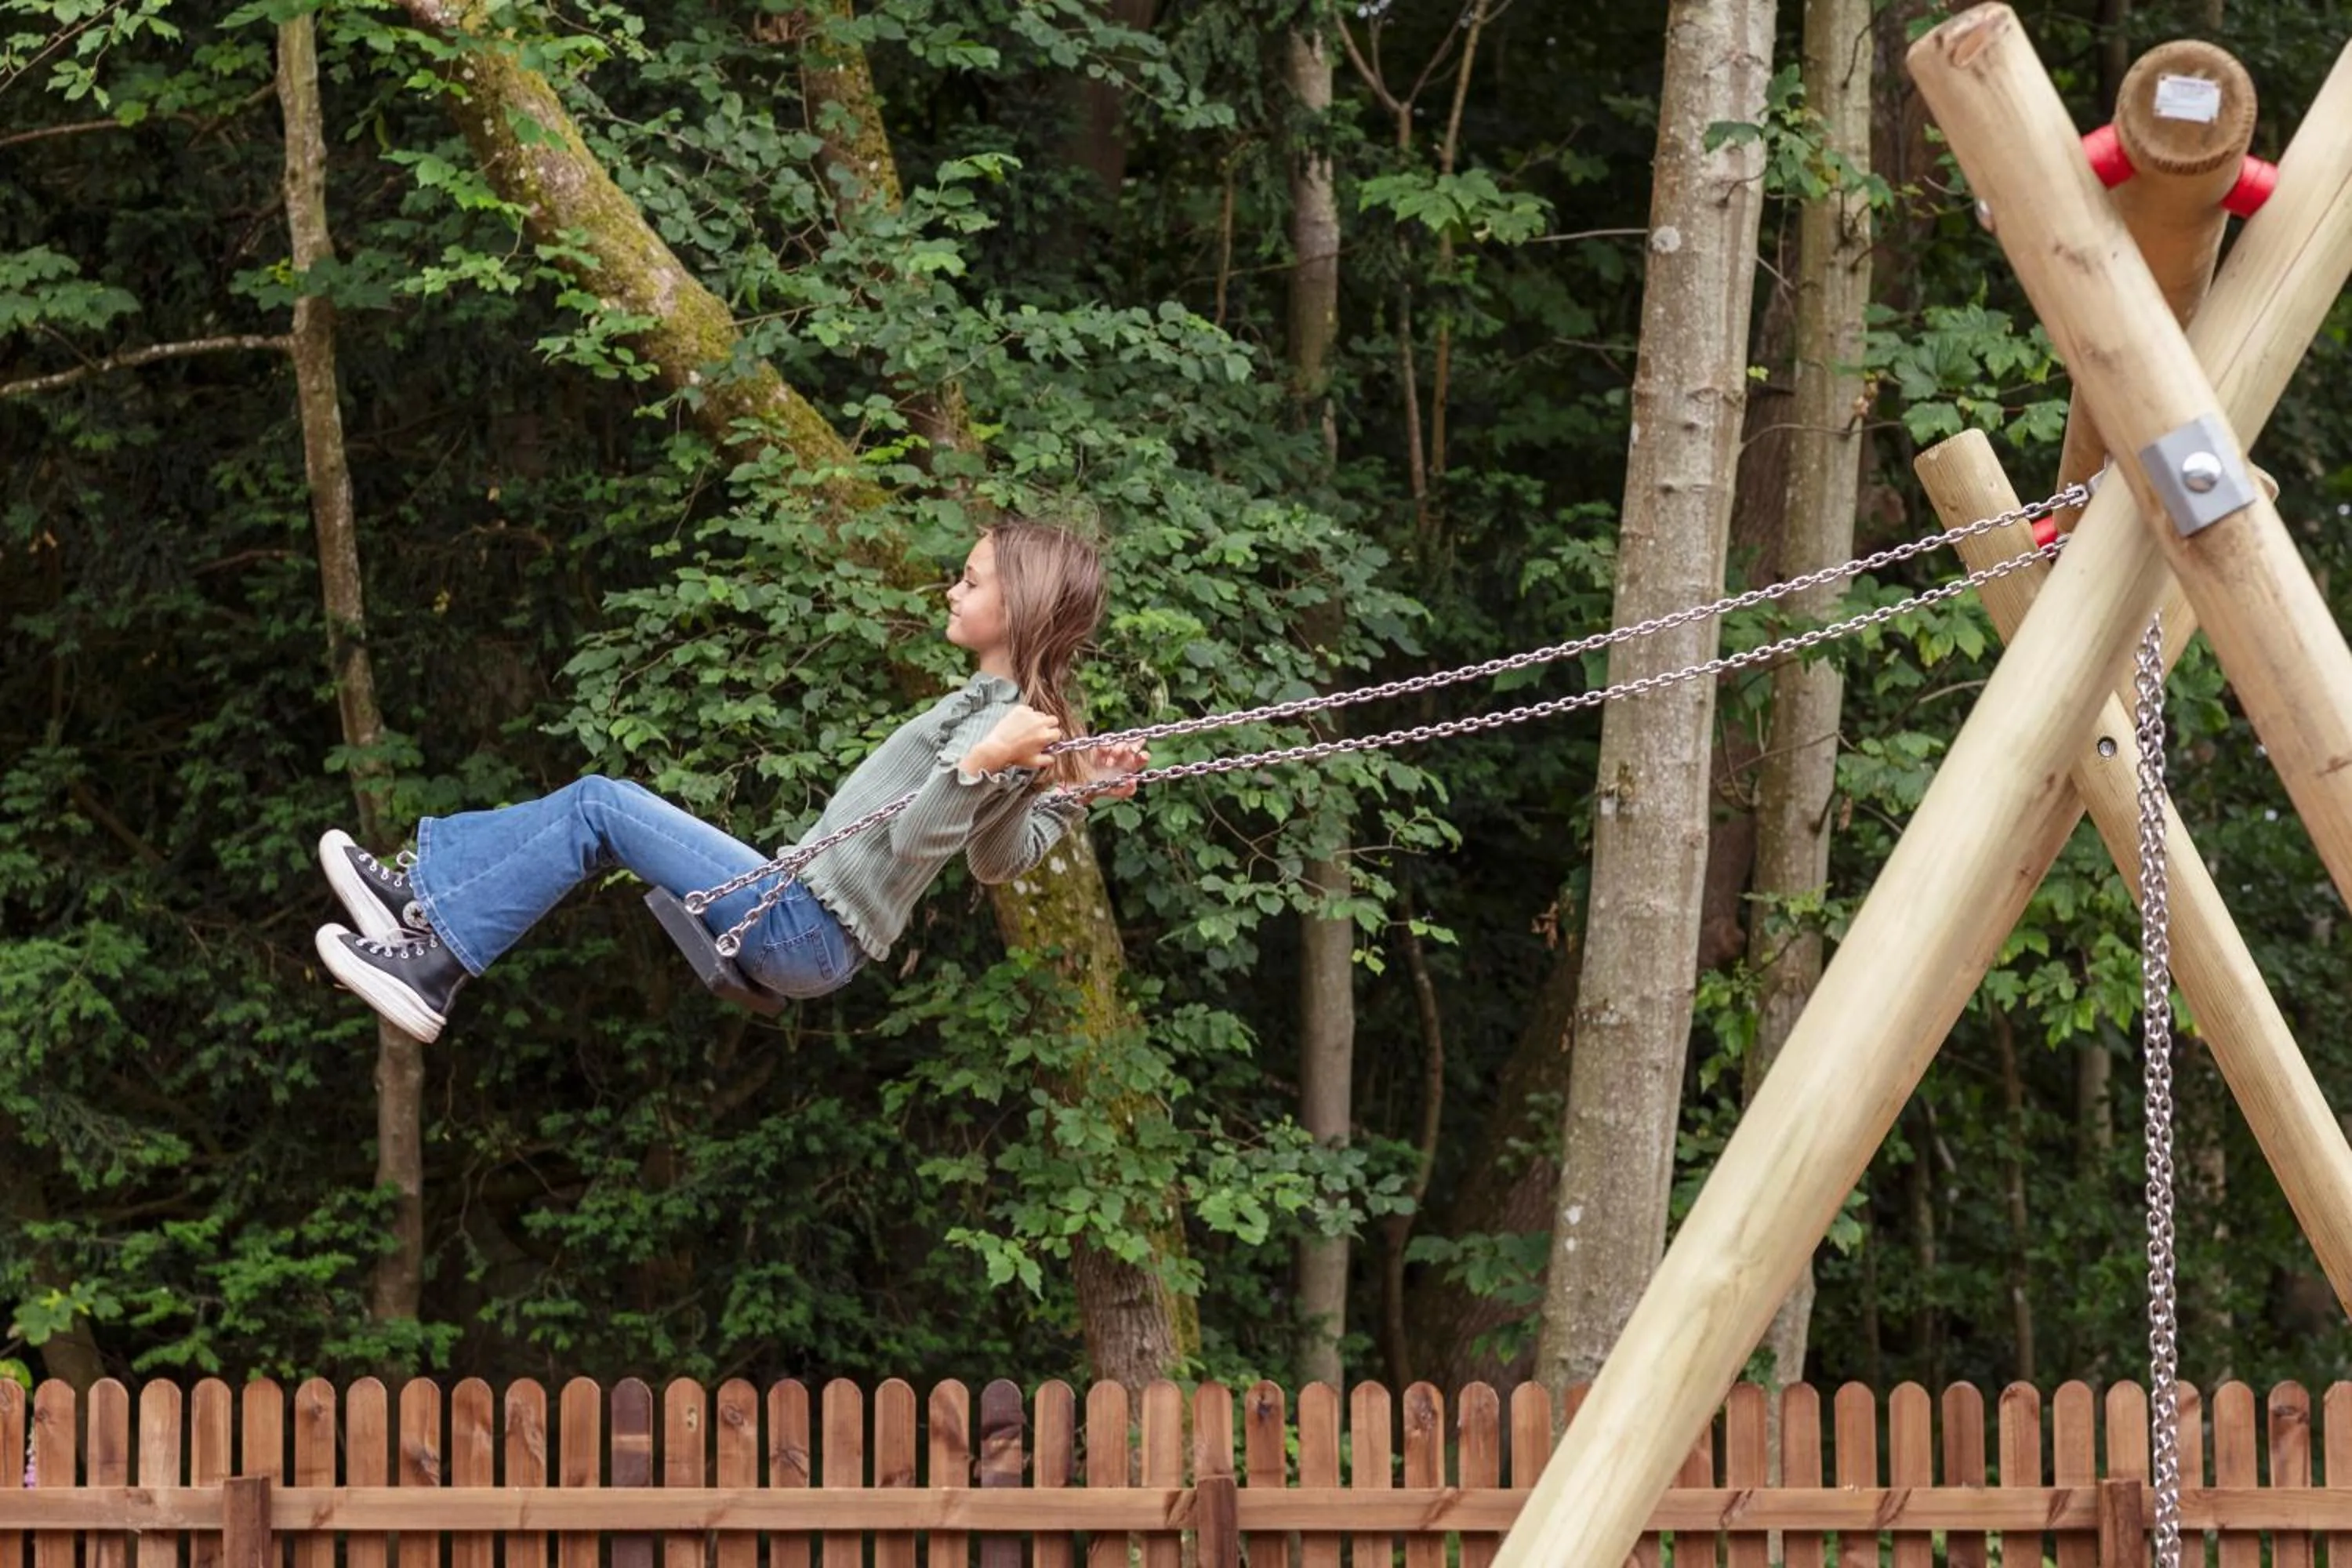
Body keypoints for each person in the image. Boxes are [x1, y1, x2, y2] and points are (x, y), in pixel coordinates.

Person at [312, 522, 1148, 1042]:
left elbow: (922, 837)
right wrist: (1073, 793)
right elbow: (996, 856)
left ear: (1024, 605)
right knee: (595, 806)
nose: (952, 587)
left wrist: (995, 769)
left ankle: (430, 954)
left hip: (809, 925)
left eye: (971, 579)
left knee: (601, 802)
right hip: (801, 909)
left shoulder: (1001, 726)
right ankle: (425, 919)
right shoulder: (1003, 716)